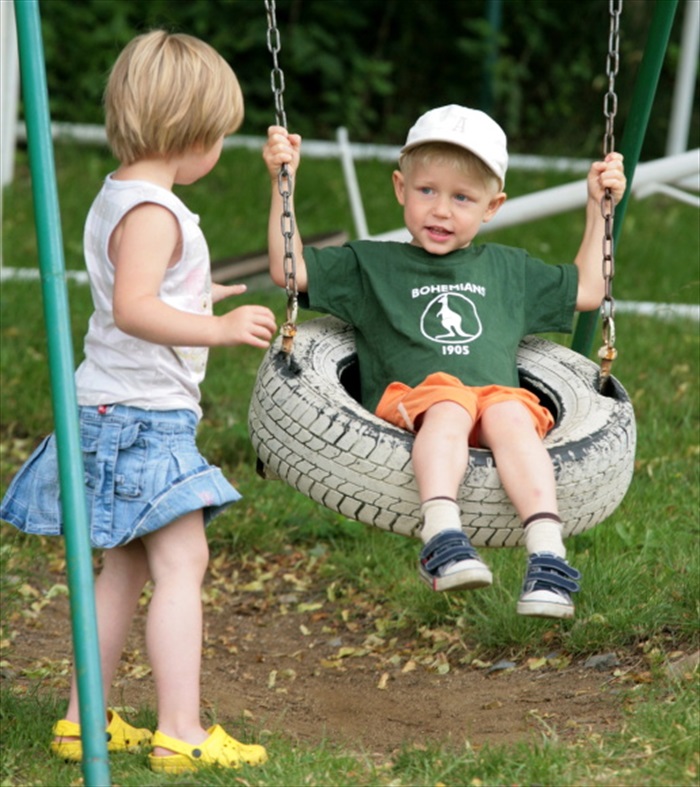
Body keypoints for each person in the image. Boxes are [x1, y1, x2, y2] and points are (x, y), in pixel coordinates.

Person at [0, 31, 276, 773]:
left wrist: (195, 294)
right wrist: (216, 327)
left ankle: (81, 718)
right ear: (192, 134)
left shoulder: (119, 194)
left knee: (123, 567)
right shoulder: (157, 211)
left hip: (110, 410)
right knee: (185, 560)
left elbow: (145, 288)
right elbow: (133, 307)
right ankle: (181, 729)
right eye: (218, 136)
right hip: (143, 419)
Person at [262, 104, 626, 620]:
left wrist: (598, 208)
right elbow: (289, 269)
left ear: (492, 206)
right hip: (418, 400)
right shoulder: (372, 265)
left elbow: (589, 288)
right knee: (452, 403)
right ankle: (442, 539)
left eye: (462, 198)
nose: (441, 211)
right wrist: (284, 183)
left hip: (491, 399)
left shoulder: (508, 270)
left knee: (512, 414)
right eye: (427, 191)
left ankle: (548, 557)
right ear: (400, 188)